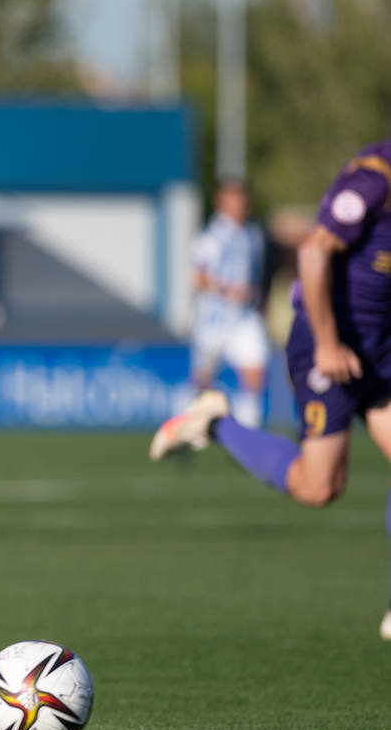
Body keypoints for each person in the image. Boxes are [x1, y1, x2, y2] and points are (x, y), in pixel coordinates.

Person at [150, 139, 391, 641]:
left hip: (383, 348)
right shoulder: (374, 176)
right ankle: (215, 422)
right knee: (319, 485)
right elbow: (312, 252)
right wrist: (327, 342)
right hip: (332, 339)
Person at [186, 179, 269, 428]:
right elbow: (198, 277)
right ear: (221, 203)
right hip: (214, 318)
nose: (239, 205)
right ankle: (187, 423)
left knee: (255, 371)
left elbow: (259, 274)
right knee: (203, 377)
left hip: (245, 317)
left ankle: (248, 431)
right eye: (233, 200)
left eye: (241, 199)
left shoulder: (253, 235)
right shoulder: (210, 236)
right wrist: (227, 290)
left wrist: (260, 304)